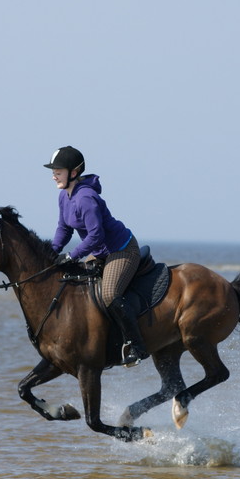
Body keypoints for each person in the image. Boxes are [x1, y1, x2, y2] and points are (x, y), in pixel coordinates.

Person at [44, 145, 150, 367]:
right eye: (53, 171)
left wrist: (72, 255)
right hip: (100, 252)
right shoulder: (64, 196)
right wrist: (51, 253)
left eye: (58, 171)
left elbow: (96, 235)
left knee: (110, 294)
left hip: (121, 249)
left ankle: (137, 346)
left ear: (74, 172)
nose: (54, 176)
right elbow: (64, 229)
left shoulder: (86, 198)